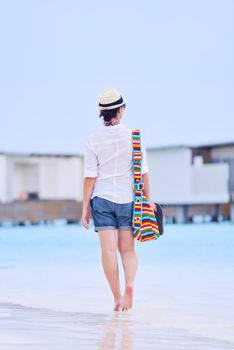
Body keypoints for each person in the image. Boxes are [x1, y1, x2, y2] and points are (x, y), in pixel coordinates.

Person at [81, 88, 155, 312]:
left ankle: (116, 298)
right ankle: (129, 285)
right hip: (127, 199)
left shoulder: (93, 140)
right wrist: (149, 201)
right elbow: (143, 172)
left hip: (102, 199)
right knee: (127, 249)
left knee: (109, 251)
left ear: (102, 114)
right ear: (121, 110)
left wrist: (84, 208)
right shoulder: (134, 137)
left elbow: (90, 176)